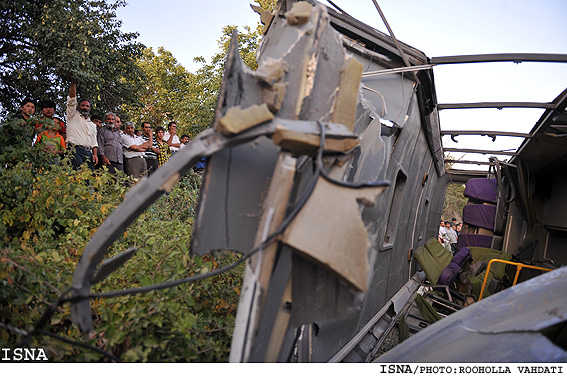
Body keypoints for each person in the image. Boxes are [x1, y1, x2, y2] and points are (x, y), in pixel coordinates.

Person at [66, 79, 98, 170]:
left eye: (87, 106)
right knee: (76, 177)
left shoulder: (92, 124)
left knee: (88, 179)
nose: (85, 108)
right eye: (83, 105)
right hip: (74, 150)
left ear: (90, 109)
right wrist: (74, 81)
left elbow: (94, 142)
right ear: (78, 106)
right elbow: (72, 99)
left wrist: (95, 154)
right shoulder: (72, 115)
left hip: (88, 153)